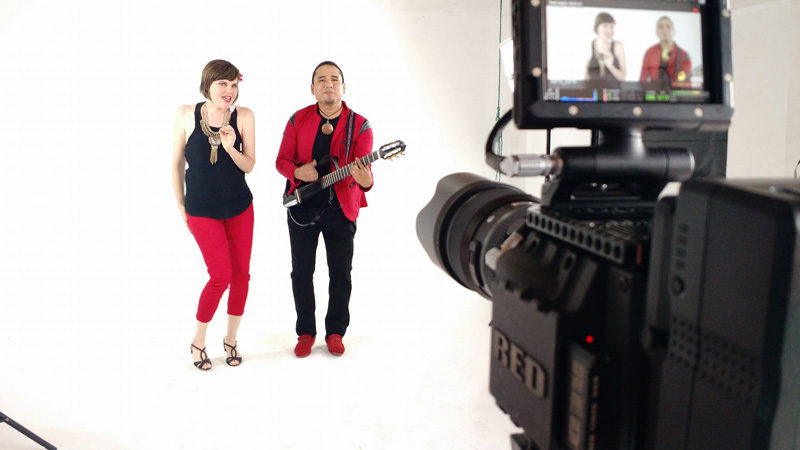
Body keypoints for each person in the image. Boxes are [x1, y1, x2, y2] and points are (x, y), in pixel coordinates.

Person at [276, 61, 374, 357]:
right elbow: (280, 161)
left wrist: (365, 179)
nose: (328, 84)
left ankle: (335, 332)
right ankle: (305, 332)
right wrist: (296, 173)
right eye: (322, 80)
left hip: (341, 208)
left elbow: (366, 176)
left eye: (335, 79)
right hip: (302, 206)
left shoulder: (361, 125)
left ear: (344, 87)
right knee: (301, 272)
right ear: (313, 88)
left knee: (340, 272)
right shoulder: (297, 119)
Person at [171, 60, 256, 370]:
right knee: (220, 276)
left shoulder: (244, 116)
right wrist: (180, 204)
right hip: (202, 209)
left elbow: (249, 165)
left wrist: (232, 147)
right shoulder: (185, 114)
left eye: (234, 85)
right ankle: (198, 340)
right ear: (208, 84)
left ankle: (231, 339)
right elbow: (177, 163)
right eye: (223, 84)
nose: (229, 91)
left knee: (241, 277)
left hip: (239, 207)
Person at [639, 16, 692, 89]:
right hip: (654, 96)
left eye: (668, 27)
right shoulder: (649, 53)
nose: (665, 30)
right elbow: (642, 80)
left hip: (675, 96)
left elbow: (685, 81)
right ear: (657, 32)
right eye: (661, 27)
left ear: (674, 31)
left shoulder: (684, 55)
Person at [586, 12, 627, 87]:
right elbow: (585, 77)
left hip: (613, 94)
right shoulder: (589, 45)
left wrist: (610, 66)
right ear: (597, 27)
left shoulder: (618, 46)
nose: (609, 30)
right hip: (593, 93)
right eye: (605, 26)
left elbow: (623, 77)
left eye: (611, 27)